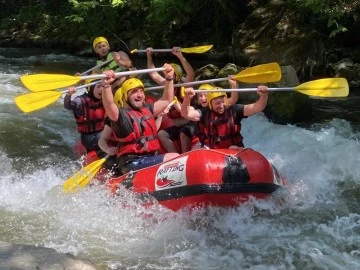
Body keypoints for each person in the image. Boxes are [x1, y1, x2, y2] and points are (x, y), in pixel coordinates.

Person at [100, 63, 179, 173]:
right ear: (125, 96)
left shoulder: (148, 109)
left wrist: (169, 78)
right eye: (134, 92)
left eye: (141, 91)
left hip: (150, 158)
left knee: (175, 158)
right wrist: (106, 85)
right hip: (132, 163)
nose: (139, 95)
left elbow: (167, 100)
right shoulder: (120, 116)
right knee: (173, 157)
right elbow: (109, 105)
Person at [181, 84, 268, 150]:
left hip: (234, 152)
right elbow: (186, 114)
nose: (221, 105)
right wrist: (187, 98)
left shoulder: (234, 110)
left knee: (233, 148)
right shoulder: (205, 113)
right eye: (217, 103)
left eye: (223, 102)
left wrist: (263, 96)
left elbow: (257, 107)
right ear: (210, 104)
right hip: (215, 152)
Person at [147, 47, 196, 153]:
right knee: (161, 134)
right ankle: (174, 157)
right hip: (175, 124)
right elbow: (153, 74)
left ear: (177, 76)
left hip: (189, 123)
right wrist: (149, 56)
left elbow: (190, 73)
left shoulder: (184, 86)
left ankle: (184, 156)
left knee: (183, 133)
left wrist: (180, 56)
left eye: (170, 73)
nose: (167, 76)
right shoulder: (167, 84)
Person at [64, 80, 106, 153]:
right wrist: (68, 95)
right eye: (98, 86)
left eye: (103, 86)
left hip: (101, 134)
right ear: (91, 88)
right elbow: (68, 106)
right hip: (89, 138)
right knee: (111, 133)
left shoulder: (106, 99)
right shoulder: (80, 101)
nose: (101, 89)